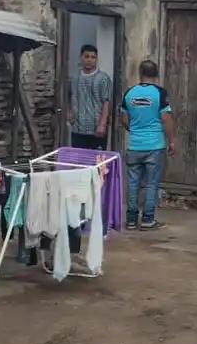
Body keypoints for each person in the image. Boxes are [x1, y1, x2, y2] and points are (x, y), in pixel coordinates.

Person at [120, 60, 176, 230]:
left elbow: (124, 119)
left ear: (140, 73)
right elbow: (166, 119)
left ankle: (130, 220)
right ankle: (148, 220)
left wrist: (136, 131)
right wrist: (172, 140)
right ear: (156, 74)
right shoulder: (160, 94)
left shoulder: (129, 94)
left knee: (133, 183)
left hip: (134, 146)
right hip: (154, 146)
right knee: (152, 184)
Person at [68, 44, 113, 150]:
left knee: (98, 162)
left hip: (96, 129)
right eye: (86, 56)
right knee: (80, 162)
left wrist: (102, 125)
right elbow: (69, 96)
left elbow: (106, 102)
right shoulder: (75, 78)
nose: (89, 60)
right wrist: (69, 113)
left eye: (93, 57)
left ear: (96, 59)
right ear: (81, 58)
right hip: (78, 129)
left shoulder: (103, 79)